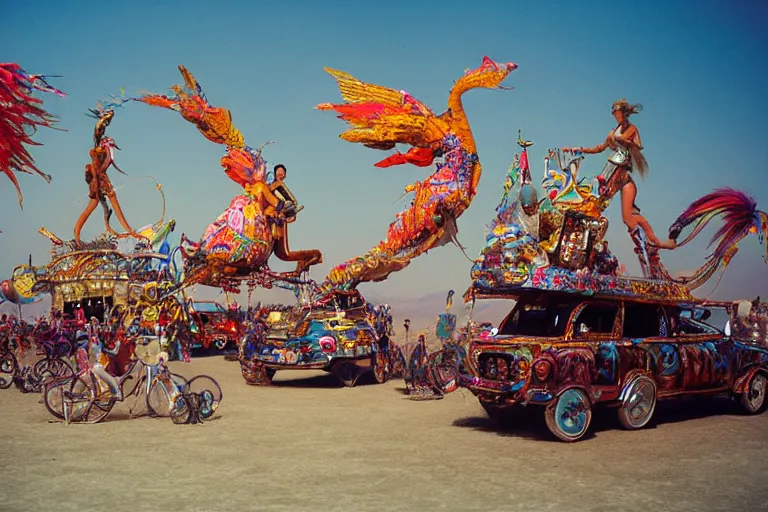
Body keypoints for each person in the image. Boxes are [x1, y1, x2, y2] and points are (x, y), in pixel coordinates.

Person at [563, 99, 676, 249]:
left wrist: (617, 138)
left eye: (618, 114)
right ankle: (653, 243)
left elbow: (627, 141)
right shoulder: (614, 131)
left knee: (627, 217)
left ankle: (655, 243)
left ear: (624, 113)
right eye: (614, 114)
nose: (616, 117)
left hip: (621, 174)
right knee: (627, 218)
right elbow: (600, 147)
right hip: (612, 171)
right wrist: (579, 149)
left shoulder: (631, 129)